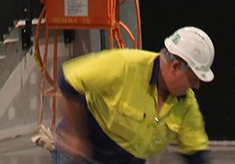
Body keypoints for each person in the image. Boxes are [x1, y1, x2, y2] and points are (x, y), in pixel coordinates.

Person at [52, 26, 214, 163]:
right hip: (83, 156)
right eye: (193, 79)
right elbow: (68, 80)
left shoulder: (186, 103)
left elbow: (195, 153)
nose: (196, 86)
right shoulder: (124, 65)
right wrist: (75, 134)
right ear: (175, 67)